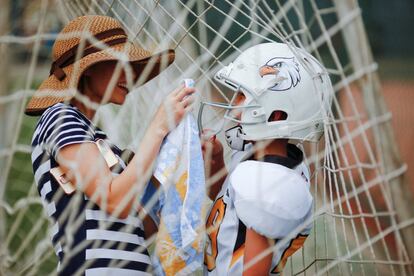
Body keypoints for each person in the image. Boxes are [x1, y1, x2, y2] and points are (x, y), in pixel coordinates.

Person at [27, 15, 195, 275]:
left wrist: (178, 157)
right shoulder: (59, 116)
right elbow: (115, 200)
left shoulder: (100, 141)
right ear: (87, 67)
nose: (131, 74)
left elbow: (141, 227)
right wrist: (158, 127)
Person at [199, 42, 332, 275]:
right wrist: (215, 161)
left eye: (242, 96)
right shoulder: (257, 160)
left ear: (277, 113)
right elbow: (227, 200)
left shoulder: (270, 185)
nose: (234, 104)